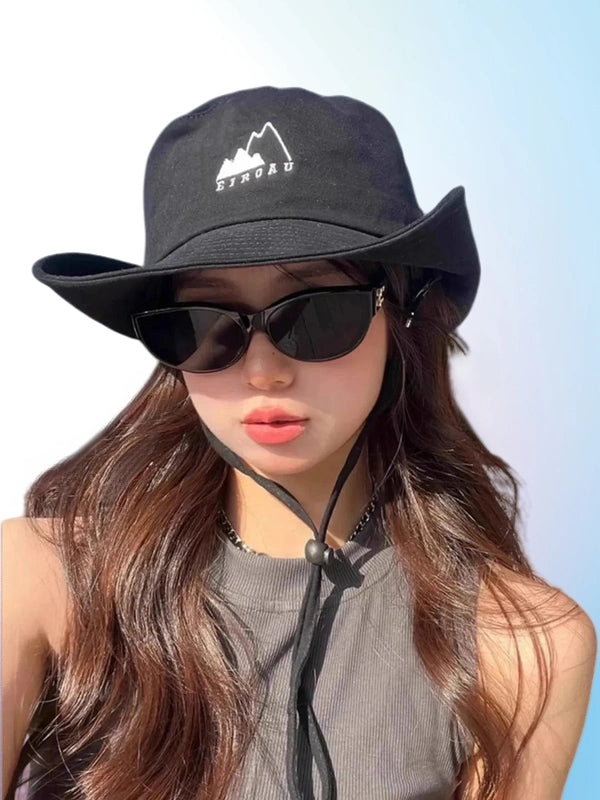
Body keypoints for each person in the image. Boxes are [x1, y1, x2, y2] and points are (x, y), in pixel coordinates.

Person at [2, 86, 596, 800]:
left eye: (316, 313)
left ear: (402, 315)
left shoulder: (522, 648)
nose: (264, 370)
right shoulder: (41, 584)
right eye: (202, 324)